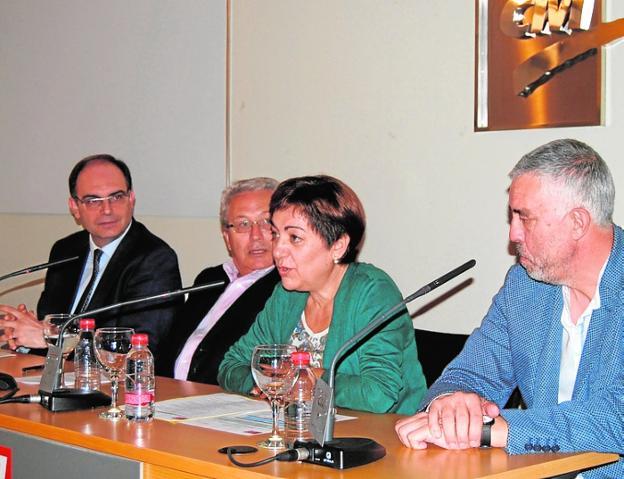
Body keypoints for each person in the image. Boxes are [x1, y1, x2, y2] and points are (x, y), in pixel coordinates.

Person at [395, 139, 623, 478]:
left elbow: (616, 417)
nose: (513, 234)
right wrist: (451, 405)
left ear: (577, 222)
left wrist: (497, 429)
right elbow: (470, 373)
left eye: (524, 217)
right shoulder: (524, 287)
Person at [218, 175, 426, 414]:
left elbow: (379, 394)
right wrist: (261, 383)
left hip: (379, 439)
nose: (278, 250)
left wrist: (311, 379)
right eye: (276, 234)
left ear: (338, 245)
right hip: (301, 432)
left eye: (294, 238)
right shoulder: (287, 294)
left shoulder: (373, 292)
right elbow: (231, 365)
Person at [0, 154, 182, 361]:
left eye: (116, 197)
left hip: (114, 389)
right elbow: (50, 328)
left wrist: (48, 337)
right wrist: (21, 335)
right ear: (75, 207)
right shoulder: (65, 250)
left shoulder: (154, 259)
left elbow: (136, 351)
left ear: (131, 199)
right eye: (93, 200)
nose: (107, 210)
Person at [157, 177, 281, 381]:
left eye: (266, 222)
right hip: (169, 398)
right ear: (227, 237)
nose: (255, 235)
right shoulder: (210, 279)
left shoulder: (285, 288)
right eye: (243, 224)